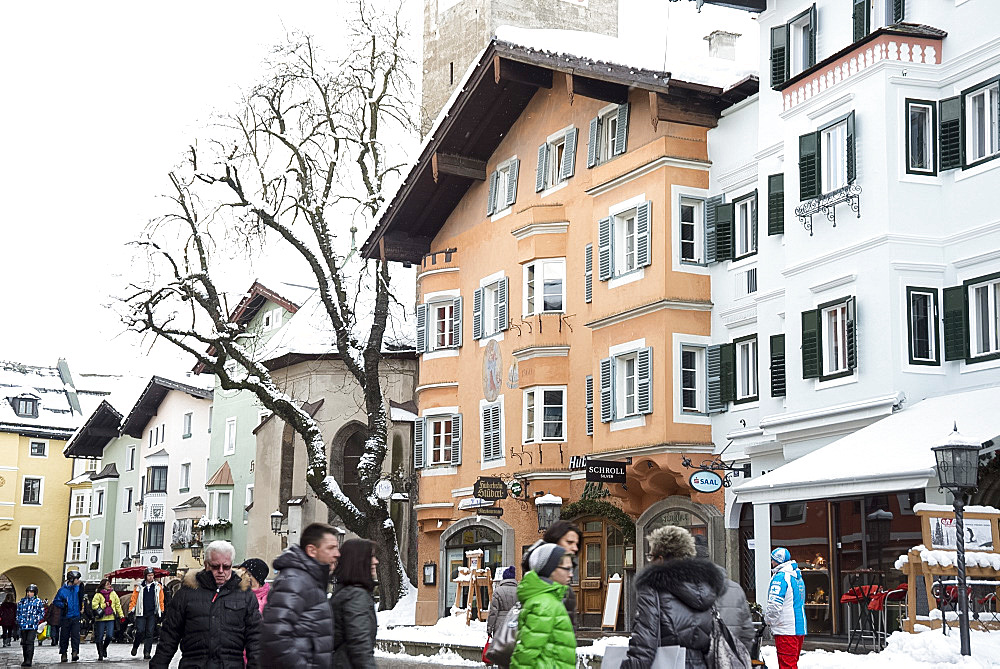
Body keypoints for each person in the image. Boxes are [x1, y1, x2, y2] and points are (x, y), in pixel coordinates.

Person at [620, 525, 749, 669]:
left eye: (651, 556)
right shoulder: (706, 587)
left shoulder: (653, 589)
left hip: (668, 664)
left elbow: (644, 645)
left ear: (661, 558)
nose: (650, 561)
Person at [150, 540, 261, 669]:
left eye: (226, 567)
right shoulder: (186, 594)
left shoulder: (245, 595)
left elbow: (256, 639)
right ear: (206, 564)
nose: (221, 571)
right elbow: (169, 636)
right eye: (215, 566)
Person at [260, 522, 339, 669]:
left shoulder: (309, 580)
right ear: (312, 550)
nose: (337, 553)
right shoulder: (295, 581)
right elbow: (275, 635)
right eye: (331, 548)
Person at [510, 543, 576, 669]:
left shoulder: (550, 599)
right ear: (551, 569)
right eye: (567, 569)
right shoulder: (545, 604)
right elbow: (525, 654)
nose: (571, 574)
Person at [331, 539, 378, 668]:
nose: (375, 561)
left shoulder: (345, 592)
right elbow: (360, 645)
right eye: (371, 557)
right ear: (359, 561)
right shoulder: (356, 596)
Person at [521, 520, 581, 624]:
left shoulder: (560, 581)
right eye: (569, 542)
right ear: (554, 541)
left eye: (577, 544)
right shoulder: (539, 585)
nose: (575, 548)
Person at [765, 547, 806, 669]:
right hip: (799, 627)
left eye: (773, 560)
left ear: (778, 561)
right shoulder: (797, 577)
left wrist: (767, 621)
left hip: (786, 629)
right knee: (792, 663)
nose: (771, 562)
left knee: (786, 665)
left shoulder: (780, 578)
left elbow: (774, 605)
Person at [128, 567, 164, 659]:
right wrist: (131, 610)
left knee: (150, 633)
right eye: (149, 575)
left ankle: (147, 652)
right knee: (140, 631)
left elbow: (160, 600)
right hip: (141, 612)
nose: (151, 577)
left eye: (152, 575)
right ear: (145, 576)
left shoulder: (157, 587)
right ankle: (135, 646)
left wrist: (161, 611)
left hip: (152, 613)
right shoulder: (139, 586)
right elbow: (134, 599)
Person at [52, 570, 84, 662]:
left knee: (75, 636)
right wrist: (64, 605)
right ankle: (63, 653)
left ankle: (75, 652)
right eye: (77, 579)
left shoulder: (78, 588)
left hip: (76, 615)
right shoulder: (62, 590)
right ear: (71, 579)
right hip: (66, 616)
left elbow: (82, 599)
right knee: (64, 636)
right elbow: (56, 601)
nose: (78, 580)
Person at [91, 578, 124, 661]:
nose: (109, 585)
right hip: (100, 618)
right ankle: (100, 654)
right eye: (107, 584)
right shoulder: (98, 595)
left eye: (110, 584)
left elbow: (117, 605)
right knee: (99, 637)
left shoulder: (113, 593)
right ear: (103, 586)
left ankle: (104, 648)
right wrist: (104, 605)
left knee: (109, 635)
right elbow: (94, 606)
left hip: (111, 617)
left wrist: (121, 615)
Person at [16, 585, 46, 667]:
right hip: (23, 625)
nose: (29, 593)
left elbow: (42, 612)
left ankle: (29, 660)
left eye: (31, 592)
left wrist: (36, 619)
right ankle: (25, 659)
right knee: (24, 643)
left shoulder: (38, 601)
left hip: (32, 625)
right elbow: (18, 612)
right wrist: (19, 620)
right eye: (28, 592)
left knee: (30, 641)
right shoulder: (22, 601)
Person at [486, 566, 518, 637]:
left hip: (500, 626)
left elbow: (493, 612)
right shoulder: (520, 591)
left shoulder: (498, 591)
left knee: (499, 646)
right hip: (515, 624)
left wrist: (489, 628)